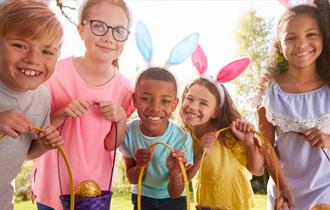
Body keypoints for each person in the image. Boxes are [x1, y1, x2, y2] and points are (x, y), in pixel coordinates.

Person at [30, 0, 135, 209]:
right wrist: (61, 113)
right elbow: (34, 134)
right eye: (99, 26)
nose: (108, 37)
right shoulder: (54, 75)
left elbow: (111, 145)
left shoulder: (124, 89)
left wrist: (121, 119)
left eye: (119, 31)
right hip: (51, 188)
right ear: (81, 30)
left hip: (95, 195)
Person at [256, 1, 330, 209]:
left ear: (324, 37)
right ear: (279, 44)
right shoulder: (269, 93)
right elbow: (267, 146)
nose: (301, 44)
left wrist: (327, 139)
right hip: (286, 188)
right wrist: (282, 187)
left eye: (311, 34)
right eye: (291, 38)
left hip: (326, 186)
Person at [0, 1, 64, 209]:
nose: (33, 59)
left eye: (47, 51)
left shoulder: (42, 96)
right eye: (19, 45)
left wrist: (44, 145)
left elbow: (25, 150)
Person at [180, 77, 264, 210]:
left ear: (215, 112)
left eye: (203, 103)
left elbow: (258, 170)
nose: (193, 106)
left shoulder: (228, 134)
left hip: (235, 203)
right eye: (190, 98)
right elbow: (184, 177)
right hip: (205, 203)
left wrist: (249, 143)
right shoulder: (184, 136)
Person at [121, 67, 194, 210]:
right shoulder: (128, 132)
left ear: (174, 104)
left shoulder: (182, 137)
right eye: (146, 99)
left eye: (165, 101)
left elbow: (175, 193)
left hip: (175, 198)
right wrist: (140, 167)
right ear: (134, 100)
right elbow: (132, 178)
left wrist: (176, 174)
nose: (155, 108)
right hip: (142, 195)